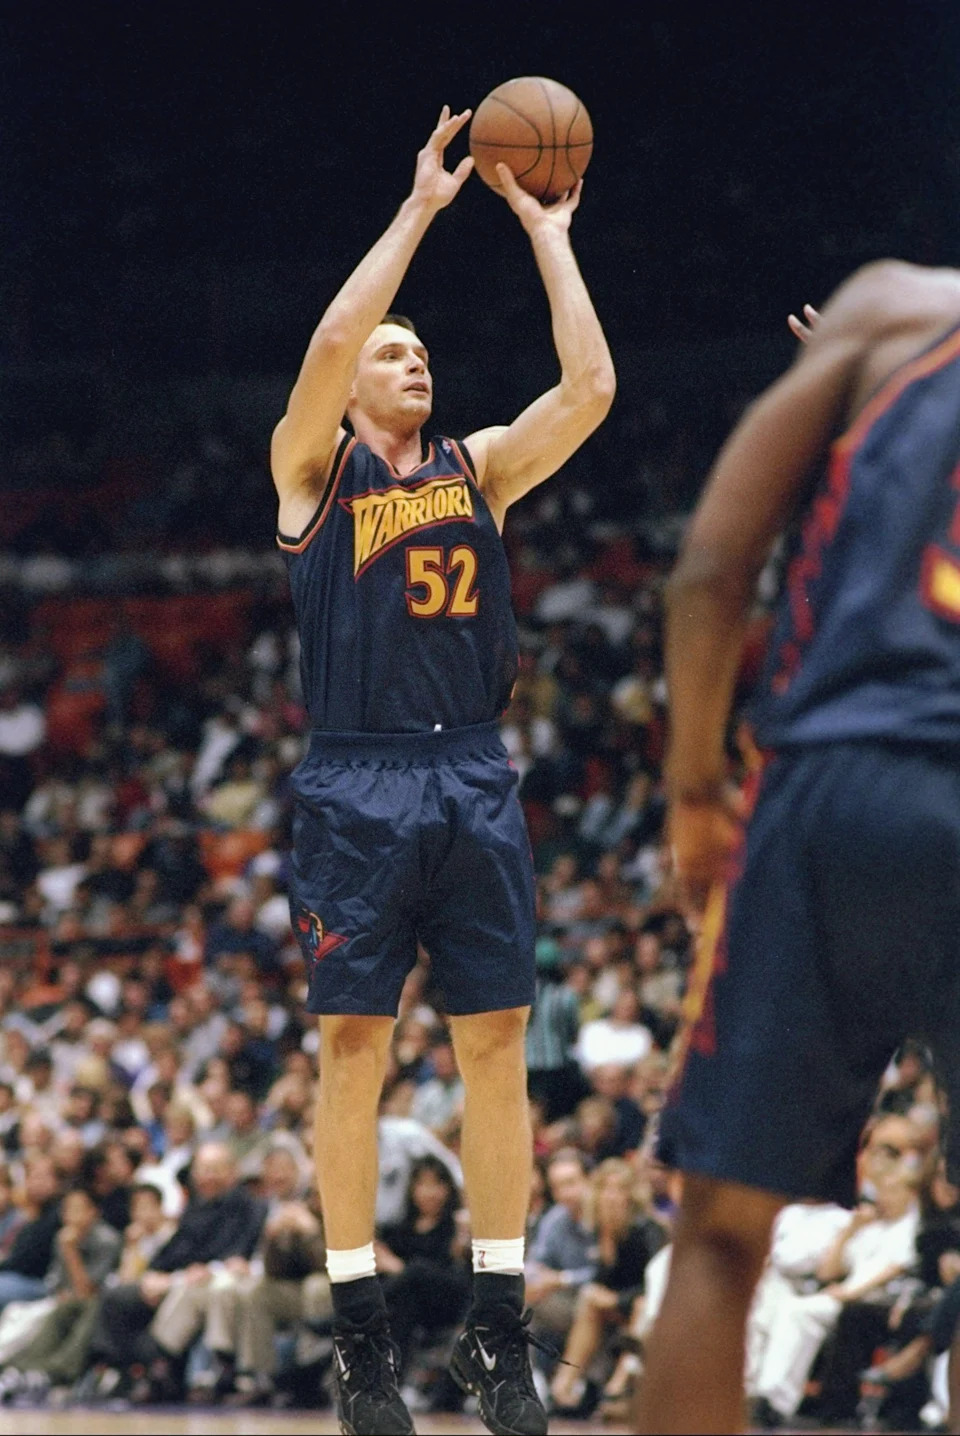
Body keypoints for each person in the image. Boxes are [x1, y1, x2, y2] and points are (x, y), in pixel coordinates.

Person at [270, 104, 614, 1436]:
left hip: (470, 770)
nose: (412, 360)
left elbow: (587, 394)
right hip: (354, 781)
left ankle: (498, 1334)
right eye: (393, 350)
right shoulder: (315, 473)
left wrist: (547, 234)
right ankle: (359, 1339)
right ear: (359, 380)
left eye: (421, 350)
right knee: (353, 1048)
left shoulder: (481, 468)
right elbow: (324, 344)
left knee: (497, 1047)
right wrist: (421, 208)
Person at [634, 259, 960, 1435]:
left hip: (844, 780)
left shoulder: (893, 311)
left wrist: (695, 793)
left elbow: (715, 568)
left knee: (720, 1233)